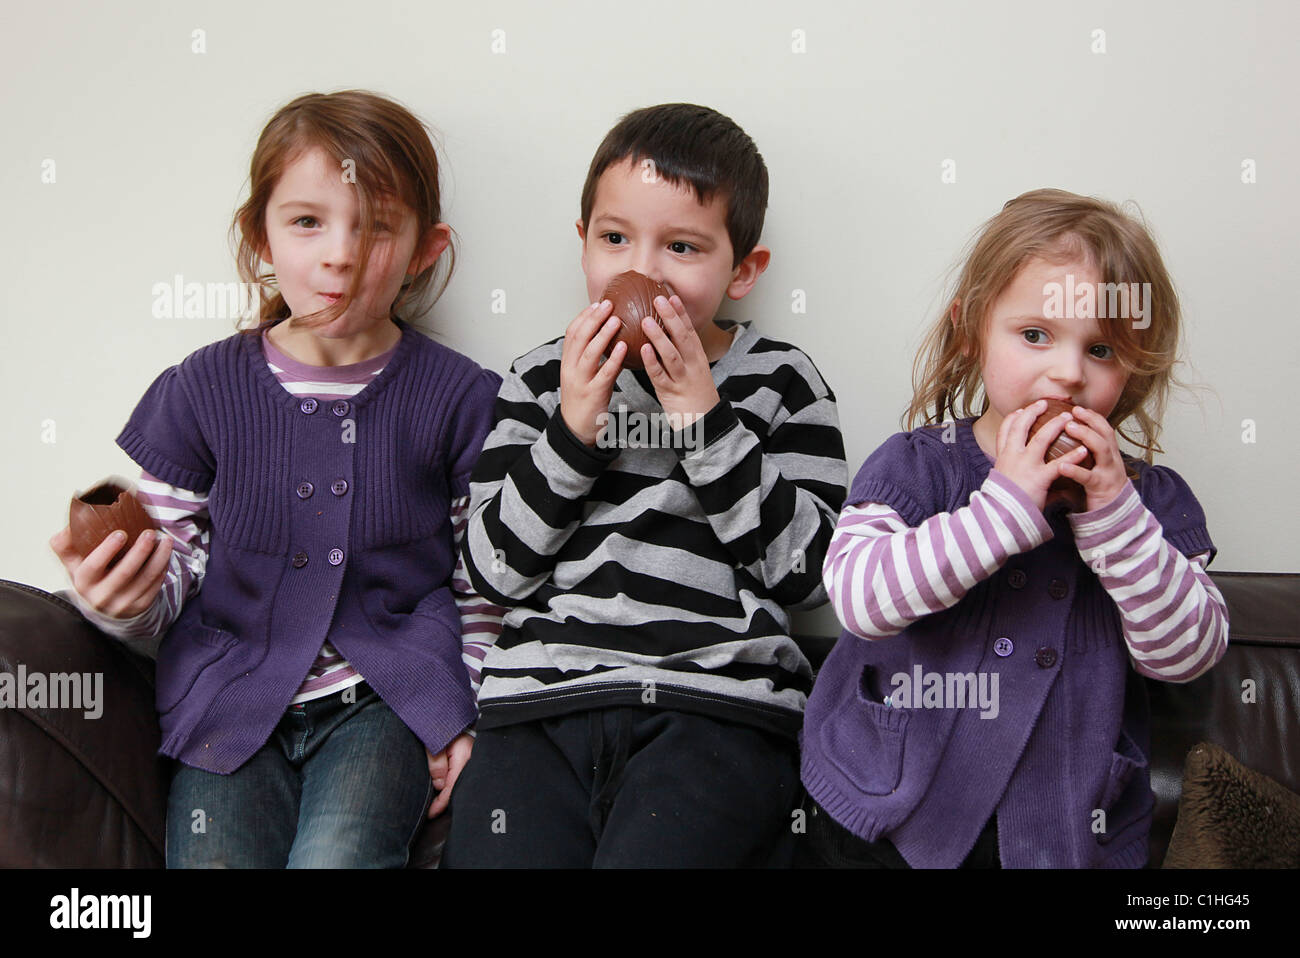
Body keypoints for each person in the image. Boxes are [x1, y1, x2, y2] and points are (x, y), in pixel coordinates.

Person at [49, 90, 503, 868]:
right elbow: (173, 577)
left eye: (377, 226)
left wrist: (460, 711)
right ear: (260, 235)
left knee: (339, 859)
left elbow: (485, 578)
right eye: (307, 222)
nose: (340, 254)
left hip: (385, 702)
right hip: (229, 703)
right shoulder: (200, 391)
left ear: (425, 249)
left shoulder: (460, 398)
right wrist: (119, 604)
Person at [440, 103, 848, 867]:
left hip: (716, 710)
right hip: (541, 706)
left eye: (683, 245)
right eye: (616, 238)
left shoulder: (782, 384)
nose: (643, 271)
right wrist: (572, 430)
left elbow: (813, 576)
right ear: (583, 244)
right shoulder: (537, 379)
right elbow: (491, 569)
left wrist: (703, 419)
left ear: (743, 270)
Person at [800, 188, 1229, 868]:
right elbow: (859, 597)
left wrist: (1115, 515)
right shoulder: (918, 466)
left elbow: (1187, 654)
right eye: (1035, 336)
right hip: (883, 812)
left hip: (1057, 832)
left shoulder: (1149, 501)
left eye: (1102, 351)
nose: (1066, 374)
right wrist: (1000, 511)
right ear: (972, 332)